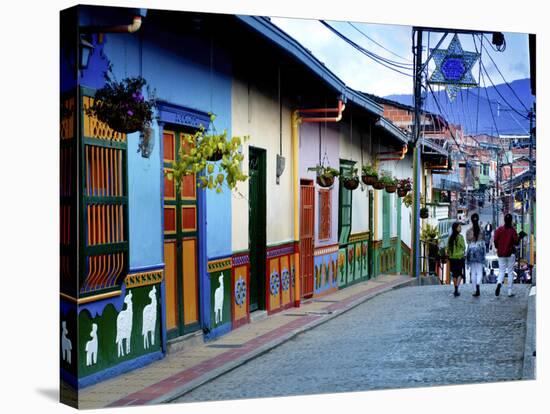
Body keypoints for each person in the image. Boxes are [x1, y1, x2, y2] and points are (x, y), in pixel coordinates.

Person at [493, 213, 525, 297]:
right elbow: (516, 242)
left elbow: (495, 240)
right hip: (510, 254)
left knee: (502, 271)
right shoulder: (512, 230)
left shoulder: (499, 230)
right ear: (511, 221)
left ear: (504, 220)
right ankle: (509, 291)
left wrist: (498, 248)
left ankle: (499, 283)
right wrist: (520, 237)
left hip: (501, 254)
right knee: (510, 272)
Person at [466, 213, 486, 297]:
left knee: (473, 272)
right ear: (478, 220)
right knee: (479, 271)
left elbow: (467, 241)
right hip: (480, 250)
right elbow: (484, 239)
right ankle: (478, 284)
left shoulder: (469, 231)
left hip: (471, 250)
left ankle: (474, 289)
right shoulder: (481, 229)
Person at [447, 222, 466, 297]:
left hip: (452, 258)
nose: (460, 228)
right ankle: (457, 287)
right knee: (460, 274)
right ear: (456, 228)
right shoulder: (460, 237)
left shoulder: (450, 238)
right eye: (459, 227)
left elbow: (447, 248)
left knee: (454, 274)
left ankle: (455, 288)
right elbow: (464, 247)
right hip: (459, 258)